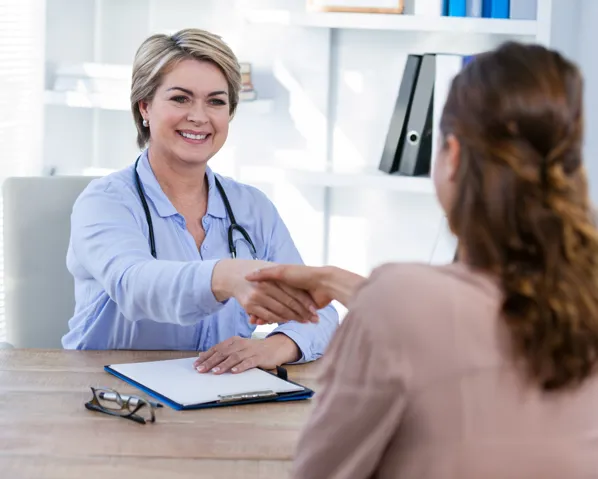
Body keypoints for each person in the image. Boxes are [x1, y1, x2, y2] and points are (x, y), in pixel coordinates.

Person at [248, 42, 598, 478]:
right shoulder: (581, 296)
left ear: (451, 157)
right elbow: (479, 320)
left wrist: (373, 297)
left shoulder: (401, 302)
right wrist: (341, 282)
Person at [62, 28, 338, 375]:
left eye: (216, 101)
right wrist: (223, 276)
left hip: (217, 394)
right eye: (180, 98)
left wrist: (276, 346)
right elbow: (133, 285)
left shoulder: (252, 207)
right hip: (112, 393)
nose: (199, 116)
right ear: (144, 106)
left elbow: (319, 310)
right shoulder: (104, 202)